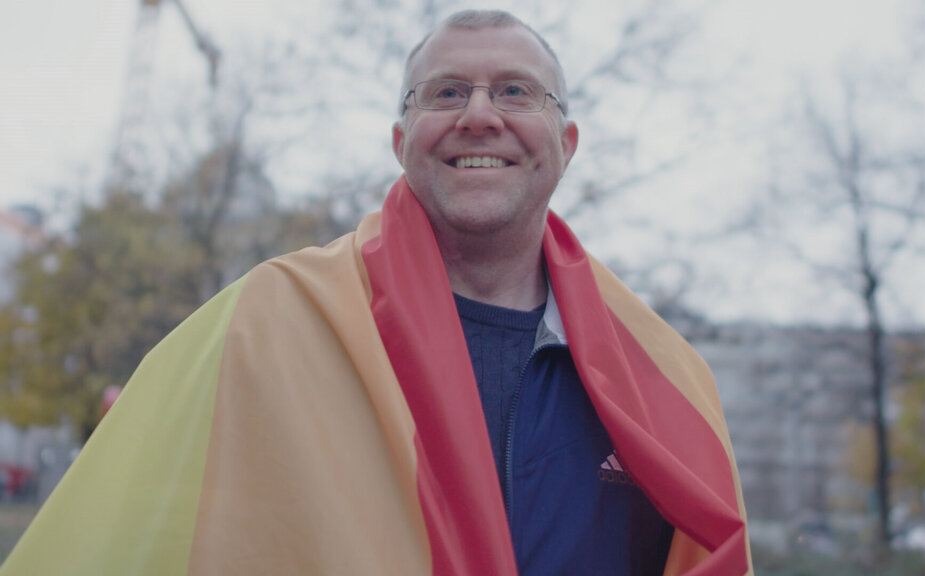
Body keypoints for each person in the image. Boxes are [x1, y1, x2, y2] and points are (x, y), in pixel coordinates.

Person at [0, 10, 751, 576]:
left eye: (516, 92)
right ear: (402, 142)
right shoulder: (268, 327)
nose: (479, 114)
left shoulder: (670, 381)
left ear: (567, 142)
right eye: (446, 92)